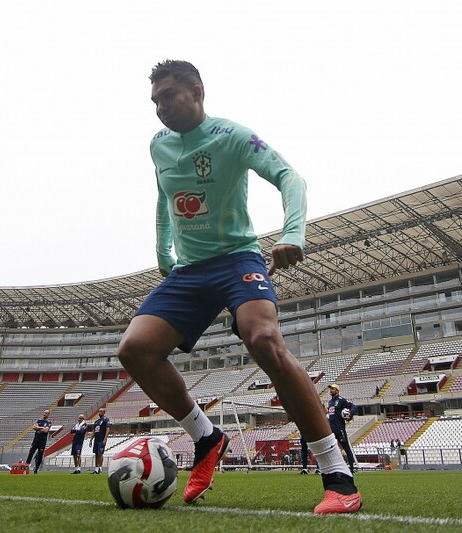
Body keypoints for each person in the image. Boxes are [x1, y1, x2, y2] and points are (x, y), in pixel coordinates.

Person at [116, 59, 362, 514]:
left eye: (167, 95)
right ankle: (206, 438)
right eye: (154, 101)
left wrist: (293, 234)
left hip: (237, 260)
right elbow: (163, 195)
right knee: (135, 349)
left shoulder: (231, 137)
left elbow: (291, 177)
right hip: (190, 270)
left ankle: (338, 475)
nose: (160, 108)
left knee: (264, 339)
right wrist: (162, 250)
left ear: (197, 91)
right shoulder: (158, 145)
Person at [326, 384, 358, 474]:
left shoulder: (342, 400)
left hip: (339, 429)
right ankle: (331, 469)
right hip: (331, 429)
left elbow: (354, 406)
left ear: (337, 390)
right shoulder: (330, 402)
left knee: (346, 448)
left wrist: (350, 415)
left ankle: (351, 469)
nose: (331, 390)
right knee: (330, 449)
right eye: (330, 389)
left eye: (333, 389)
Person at [25, 409, 52, 474]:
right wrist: (42, 428)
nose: (44, 414)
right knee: (31, 453)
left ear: (48, 414)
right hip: (36, 440)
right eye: (44, 413)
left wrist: (38, 428)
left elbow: (46, 430)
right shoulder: (39, 420)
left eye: (46, 413)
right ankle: (26, 467)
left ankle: (36, 469)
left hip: (42, 441)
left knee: (40, 455)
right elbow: (34, 427)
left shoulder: (49, 422)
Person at [90, 408, 109, 474]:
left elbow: (107, 429)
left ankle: (100, 468)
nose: (99, 413)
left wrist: (105, 439)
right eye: (99, 411)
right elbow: (94, 431)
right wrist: (91, 439)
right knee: (96, 454)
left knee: (100, 453)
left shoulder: (106, 420)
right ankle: (96, 468)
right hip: (96, 440)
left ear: (104, 412)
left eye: (101, 411)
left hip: (101, 439)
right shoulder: (96, 421)